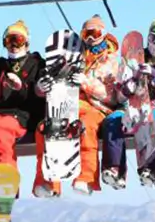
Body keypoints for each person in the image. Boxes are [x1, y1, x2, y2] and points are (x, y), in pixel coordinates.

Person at [33, 16, 120, 198]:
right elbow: (53, 84)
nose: (90, 38)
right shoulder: (73, 56)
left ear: (103, 34)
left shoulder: (110, 60)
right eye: (86, 34)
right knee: (46, 128)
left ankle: (86, 177)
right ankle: (48, 181)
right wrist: (42, 87)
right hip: (69, 104)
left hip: (97, 108)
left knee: (85, 127)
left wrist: (86, 82)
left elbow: (111, 96)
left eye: (95, 33)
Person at [0, 0, 47, 177]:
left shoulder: (36, 64)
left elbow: (38, 90)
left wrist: (26, 87)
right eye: (8, 40)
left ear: (27, 43)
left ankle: (6, 175)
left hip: (23, 116)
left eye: (17, 40)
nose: (13, 45)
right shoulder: (2, 67)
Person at [102, 17, 155, 188]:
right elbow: (120, 97)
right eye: (152, 37)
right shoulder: (135, 59)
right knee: (113, 120)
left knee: (152, 121)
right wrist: (127, 87)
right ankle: (115, 168)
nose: (154, 43)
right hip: (132, 105)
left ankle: (151, 168)